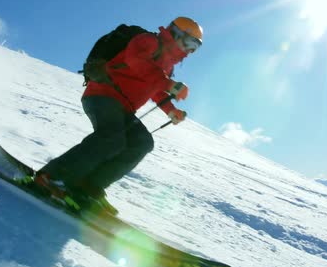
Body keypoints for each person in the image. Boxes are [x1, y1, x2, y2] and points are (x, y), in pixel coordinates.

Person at [34, 17, 203, 213]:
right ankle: (51, 177)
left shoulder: (167, 65)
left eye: (195, 48)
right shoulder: (148, 41)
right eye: (190, 43)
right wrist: (169, 84)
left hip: (124, 108)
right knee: (112, 139)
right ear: (176, 33)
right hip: (102, 94)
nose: (190, 51)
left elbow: (155, 87)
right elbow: (135, 61)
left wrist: (171, 110)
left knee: (142, 143)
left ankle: (88, 187)